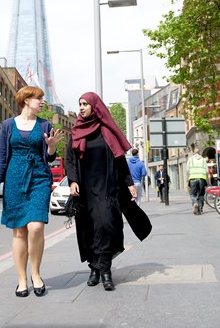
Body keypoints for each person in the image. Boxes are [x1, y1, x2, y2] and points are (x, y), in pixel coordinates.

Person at [65, 92, 152, 292]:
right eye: (80, 104)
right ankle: (94, 268)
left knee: (106, 225)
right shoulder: (76, 132)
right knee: (88, 229)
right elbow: (69, 160)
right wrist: (72, 181)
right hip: (84, 191)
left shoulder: (106, 131)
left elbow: (119, 159)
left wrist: (129, 182)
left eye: (85, 104)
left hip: (107, 189)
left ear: (95, 106)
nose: (82, 107)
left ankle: (105, 271)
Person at [0, 86, 64, 298]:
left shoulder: (44, 124)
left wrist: (50, 147)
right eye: (38, 99)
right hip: (14, 179)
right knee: (19, 230)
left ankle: (36, 273)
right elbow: (1, 155)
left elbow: (50, 157)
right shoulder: (7, 125)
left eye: (42, 99)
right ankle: (21, 279)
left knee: (36, 227)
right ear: (26, 100)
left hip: (39, 177)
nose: (42, 103)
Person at [187, 147, 208, 215]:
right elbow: (207, 171)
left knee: (193, 194)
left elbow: (187, 170)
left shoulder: (190, 159)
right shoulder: (203, 159)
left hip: (193, 179)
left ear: (193, 153)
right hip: (202, 178)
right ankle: (200, 209)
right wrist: (206, 178)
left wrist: (188, 177)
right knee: (201, 194)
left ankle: (195, 203)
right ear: (199, 153)